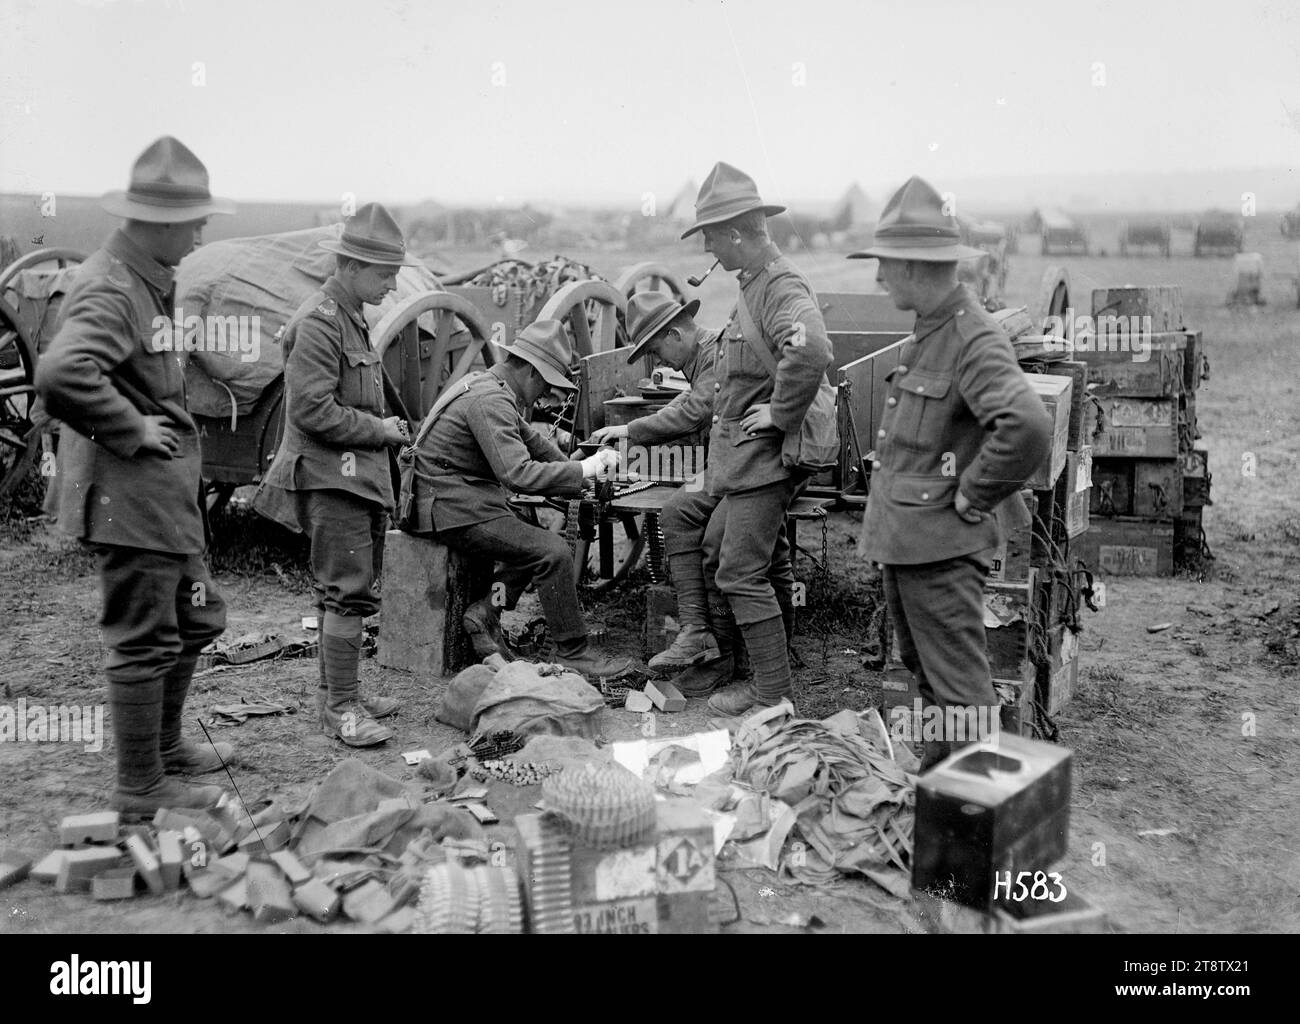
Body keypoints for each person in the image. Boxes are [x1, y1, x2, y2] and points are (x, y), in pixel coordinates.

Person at [35, 136, 235, 815]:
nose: (202, 231)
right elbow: (62, 373)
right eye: (195, 221)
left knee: (200, 615)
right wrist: (132, 427)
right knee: (146, 635)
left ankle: (167, 750)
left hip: (160, 494)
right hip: (130, 496)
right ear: (158, 222)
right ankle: (141, 786)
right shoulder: (112, 287)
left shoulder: (148, 277)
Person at [848, 176, 1052, 769]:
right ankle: (946, 802)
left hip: (941, 547)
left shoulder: (969, 336)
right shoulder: (932, 330)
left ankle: (971, 834)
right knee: (933, 685)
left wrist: (972, 496)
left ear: (915, 267)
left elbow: (1028, 426)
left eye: (886, 265)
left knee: (962, 698)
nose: (880, 278)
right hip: (912, 545)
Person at [253, 203, 416, 748]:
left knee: (343, 592)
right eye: (383, 274)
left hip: (353, 479)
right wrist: (381, 431)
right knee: (346, 592)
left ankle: (338, 695)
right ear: (349, 266)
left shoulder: (349, 318)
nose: (392, 286)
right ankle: (342, 708)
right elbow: (312, 412)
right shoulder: (319, 323)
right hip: (330, 480)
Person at [679, 162, 833, 716]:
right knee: (725, 549)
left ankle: (772, 690)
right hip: (749, 460)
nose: (708, 251)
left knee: (738, 569)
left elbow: (810, 346)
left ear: (738, 233)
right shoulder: (756, 284)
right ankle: (764, 664)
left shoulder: (780, 284)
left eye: (712, 238)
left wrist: (780, 413)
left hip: (771, 456)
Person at [588, 292, 798, 695]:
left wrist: (632, 431)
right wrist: (630, 430)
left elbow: (697, 409)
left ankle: (741, 657)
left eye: (656, 349)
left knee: (708, 533)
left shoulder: (717, 350)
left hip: (757, 461)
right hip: (733, 459)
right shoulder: (706, 354)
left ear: (675, 333)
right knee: (683, 513)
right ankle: (702, 635)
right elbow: (692, 399)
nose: (660, 361)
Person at [406, 319, 632, 679]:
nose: (542, 397)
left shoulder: (491, 386)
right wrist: (586, 470)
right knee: (552, 551)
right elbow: (518, 474)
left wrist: (584, 476)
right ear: (529, 370)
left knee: (528, 537)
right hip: (447, 508)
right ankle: (572, 652)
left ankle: (486, 613)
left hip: (459, 501)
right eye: (544, 385)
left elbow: (535, 445)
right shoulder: (490, 399)